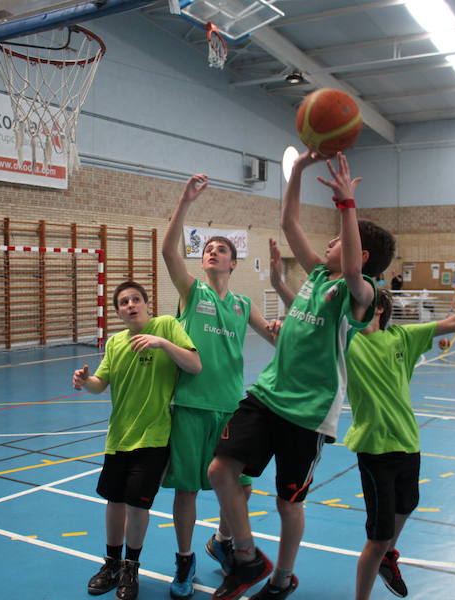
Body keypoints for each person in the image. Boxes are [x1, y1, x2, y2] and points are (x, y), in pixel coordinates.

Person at [269, 249, 455, 600]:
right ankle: (369, 581)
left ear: (378, 308)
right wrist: (280, 286)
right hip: (374, 447)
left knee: (407, 506)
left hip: (409, 442)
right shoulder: (346, 342)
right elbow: (309, 314)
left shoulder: (403, 339)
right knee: (376, 539)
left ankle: (388, 556)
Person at [207, 150, 394, 600]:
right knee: (219, 470)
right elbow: (289, 223)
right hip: (269, 395)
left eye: (335, 239)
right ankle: (249, 558)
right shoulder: (314, 275)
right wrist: (295, 171)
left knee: (288, 501)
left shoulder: (360, 292)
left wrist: (347, 205)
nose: (327, 243)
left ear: (359, 252)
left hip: (308, 413)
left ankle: (282, 577)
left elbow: (351, 266)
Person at [160, 174, 279, 599]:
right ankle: (184, 560)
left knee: (242, 486)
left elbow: (274, 337)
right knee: (188, 488)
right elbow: (168, 250)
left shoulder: (243, 304)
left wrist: (285, 325)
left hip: (232, 404)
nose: (213, 252)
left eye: (222, 250)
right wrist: (185, 200)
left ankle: (223, 540)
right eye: (209, 248)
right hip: (192, 403)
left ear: (233, 263)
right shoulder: (191, 292)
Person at [72, 281, 202, 600]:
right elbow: (100, 384)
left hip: (154, 435)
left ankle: (132, 567)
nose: (130, 305)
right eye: (123, 302)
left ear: (147, 303)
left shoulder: (166, 326)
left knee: (137, 504)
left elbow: (194, 365)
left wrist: (162, 344)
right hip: (118, 437)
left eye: (135, 300)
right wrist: (84, 380)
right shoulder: (115, 343)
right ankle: (111, 564)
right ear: (118, 312)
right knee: (114, 501)